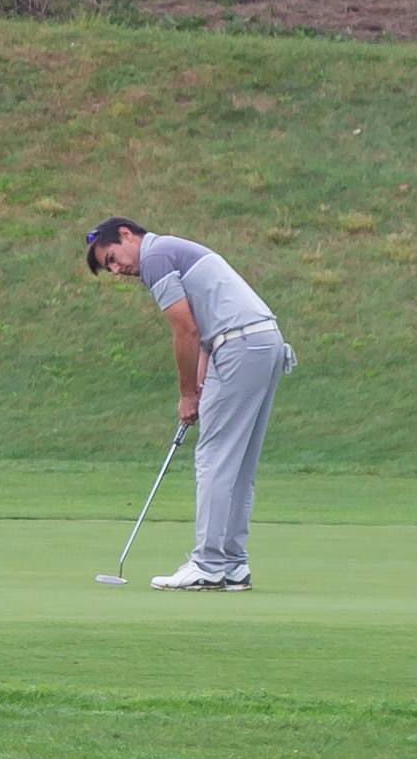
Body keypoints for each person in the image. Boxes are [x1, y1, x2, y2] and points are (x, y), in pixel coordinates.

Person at [86, 217, 292, 591]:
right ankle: (232, 565)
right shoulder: (174, 249)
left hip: (239, 346)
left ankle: (208, 565)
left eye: (113, 257)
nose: (117, 271)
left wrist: (187, 395)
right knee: (239, 464)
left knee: (214, 458)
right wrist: (201, 378)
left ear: (128, 235)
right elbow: (205, 326)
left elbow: (185, 329)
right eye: (109, 267)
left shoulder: (156, 256)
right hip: (263, 341)